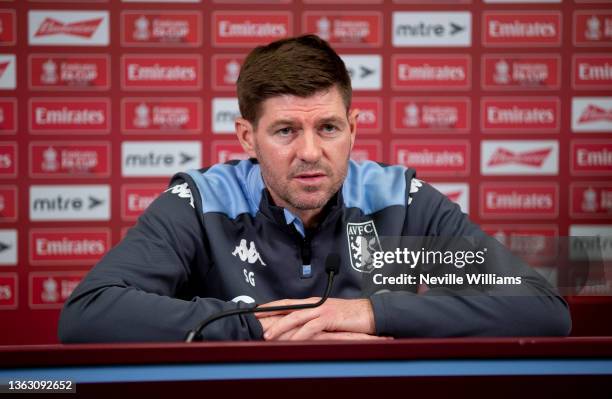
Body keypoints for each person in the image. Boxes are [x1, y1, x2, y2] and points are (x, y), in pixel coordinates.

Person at [58, 35, 571, 342]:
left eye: (327, 128)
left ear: (353, 128)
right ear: (248, 137)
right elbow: (90, 314)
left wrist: (369, 313)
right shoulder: (203, 201)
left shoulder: (395, 200)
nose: (309, 151)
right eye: (285, 131)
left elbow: (540, 309)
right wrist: (262, 324)